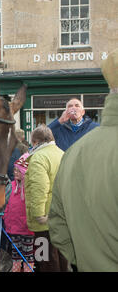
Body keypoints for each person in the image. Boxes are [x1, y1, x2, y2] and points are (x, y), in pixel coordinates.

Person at [48, 48, 118, 272]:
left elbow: (57, 224)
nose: (73, 109)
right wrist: (58, 122)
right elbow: (42, 138)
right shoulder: (62, 131)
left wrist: (81, 259)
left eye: (77, 105)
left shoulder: (80, 146)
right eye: (69, 106)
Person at [24, 124, 67, 272]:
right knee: (62, 258)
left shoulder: (38, 158)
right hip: (62, 216)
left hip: (44, 220)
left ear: (35, 142)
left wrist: (38, 214)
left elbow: (39, 188)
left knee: (44, 260)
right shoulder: (62, 153)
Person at [3, 153, 35, 272]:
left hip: (27, 229)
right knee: (15, 255)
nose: (15, 172)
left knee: (28, 256)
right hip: (13, 228)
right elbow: (6, 204)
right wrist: (5, 218)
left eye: (18, 170)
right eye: (14, 170)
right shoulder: (11, 186)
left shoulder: (29, 188)